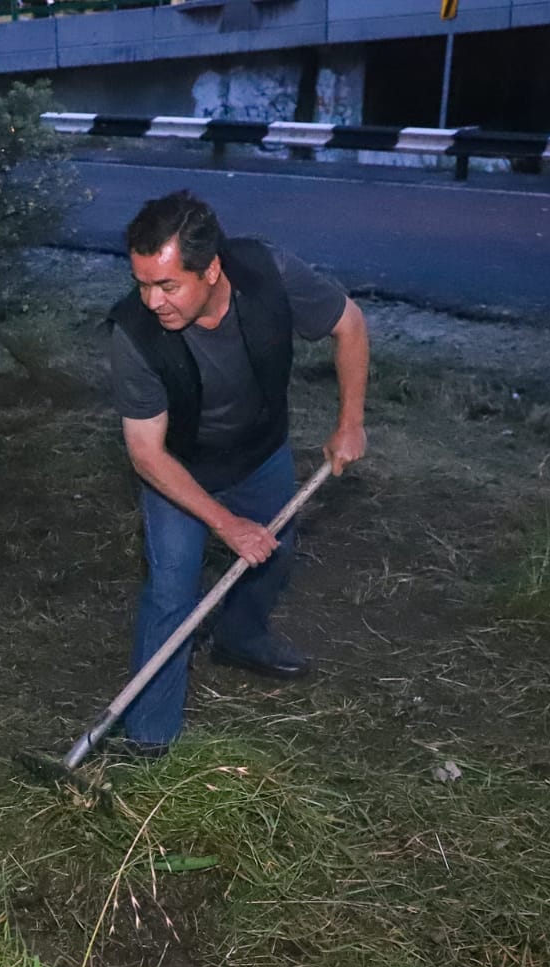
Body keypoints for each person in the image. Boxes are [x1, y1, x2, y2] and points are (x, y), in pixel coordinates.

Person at [106, 190, 369, 757]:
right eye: (142, 283)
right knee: (172, 591)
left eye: (167, 285)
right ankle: (150, 739)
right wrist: (226, 525)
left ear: (212, 269)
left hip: (261, 450)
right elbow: (147, 454)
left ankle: (242, 638)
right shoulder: (134, 334)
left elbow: (350, 324)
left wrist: (350, 422)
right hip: (180, 472)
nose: (151, 301)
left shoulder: (267, 272)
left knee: (274, 553)